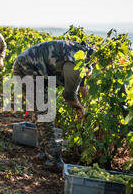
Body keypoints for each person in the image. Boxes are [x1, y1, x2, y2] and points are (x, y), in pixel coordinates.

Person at [12, 40, 94, 172]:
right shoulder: (75, 65)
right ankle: (54, 159)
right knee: (45, 114)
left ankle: (43, 153)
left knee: (42, 113)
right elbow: (69, 97)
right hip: (25, 68)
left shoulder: (82, 59)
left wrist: (88, 106)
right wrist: (80, 109)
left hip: (38, 71)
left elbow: (83, 87)